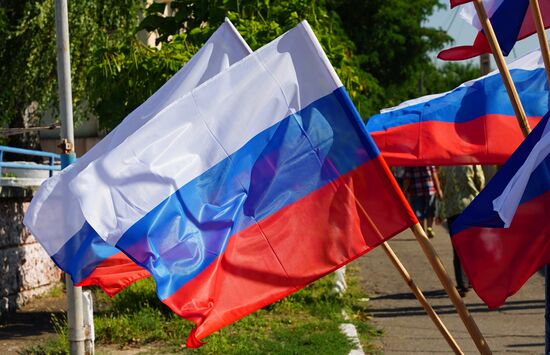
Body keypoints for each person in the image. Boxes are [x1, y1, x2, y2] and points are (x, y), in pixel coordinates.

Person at [438, 165, 485, 297]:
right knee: (471, 246)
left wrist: (440, 211)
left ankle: (462, 283)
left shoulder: (445, 166)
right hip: (470, 207)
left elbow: (442, 185)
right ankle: (472, 280)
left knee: (457, 247)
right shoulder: (472, 163)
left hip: (452, 210)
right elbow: (480, 183)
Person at [402, 166, 442, 238]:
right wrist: (438, 190)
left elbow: (407, 179)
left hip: (416, 191)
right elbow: (434, 176)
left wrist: (404, 191)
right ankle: (429, 228)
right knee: (430, 210)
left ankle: (422, 231)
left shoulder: (410, 164)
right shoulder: (428, 162)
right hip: (429, 189)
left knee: (418, 212)